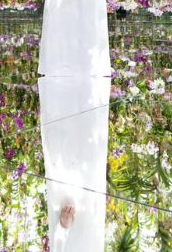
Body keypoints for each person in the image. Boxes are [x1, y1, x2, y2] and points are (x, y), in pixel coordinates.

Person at [40, 76, 111, 250]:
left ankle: (68, 94)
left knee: (65, 147)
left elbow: (59, 243)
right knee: (85, 145)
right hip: (85, 201)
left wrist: (64, 226)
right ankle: (86, 91)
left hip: (68, 201)